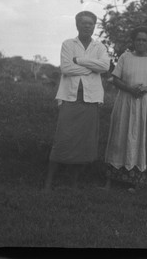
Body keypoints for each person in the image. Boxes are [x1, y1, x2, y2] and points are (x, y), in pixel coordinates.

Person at [43, 11, 110, 191]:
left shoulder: (100, 47)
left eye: (91, 24)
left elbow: (105, 66)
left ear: (94, 26)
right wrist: (90, 68)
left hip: (90, 101)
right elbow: (66, 68)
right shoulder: (68, 44)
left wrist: (79, 61)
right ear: (77, 25)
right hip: (70, 98)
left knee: (83, 144)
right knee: (62, 140)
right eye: (84, 23)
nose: (87, 26)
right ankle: (48, 184)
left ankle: (73, 184)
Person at [102, 26, 147, 192]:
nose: (140, 42)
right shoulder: (125, 57)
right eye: (138, 39)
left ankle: (137, 182)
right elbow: (115, 79)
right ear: (133, 41)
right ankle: (111, 180)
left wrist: (146, 89)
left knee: (141, 138)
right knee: (120, 137)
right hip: (125, 102)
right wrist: (130, 89)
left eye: (144, 40)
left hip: (145, 105)